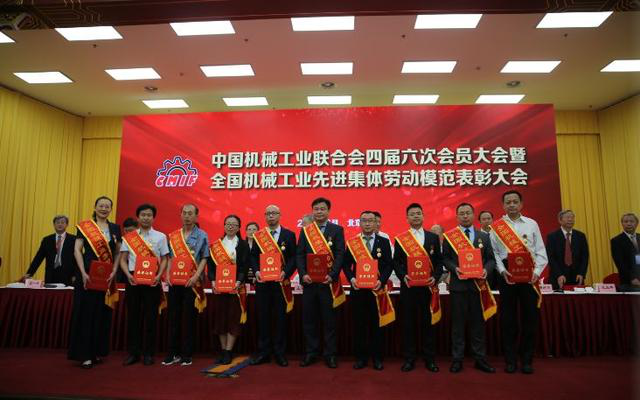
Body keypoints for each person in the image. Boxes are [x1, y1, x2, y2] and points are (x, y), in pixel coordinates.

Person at [490, 190, 548, 374]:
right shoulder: (496, 227)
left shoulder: (532, 224)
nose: (512, 205)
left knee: (530, 319)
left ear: (521, 204)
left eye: (515, 201)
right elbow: (494, 253)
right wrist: (502, 271)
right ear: (503, 205)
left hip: (529, 276)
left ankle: (527, 359)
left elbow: (540, 251)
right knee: (508, 320)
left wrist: (536, 273)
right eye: (508, 202)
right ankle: (510, 360)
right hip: (508, 275)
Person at [68, 196, 122, 369]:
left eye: (107, 206)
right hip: (87, 276)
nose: (104, 209)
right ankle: (84, 355)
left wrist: (114, 270)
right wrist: (82, 272)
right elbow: (77, 250)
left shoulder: (115, 228)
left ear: (111, 209)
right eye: (101, 206)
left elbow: (118, 252)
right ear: (95, 207)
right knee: (85, 314)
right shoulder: (85, 226)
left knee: (101, 315)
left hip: (106, 277)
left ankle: (96, 352)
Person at [442, 203, 496, 374]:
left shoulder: (483, 236)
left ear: (473, 215)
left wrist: (486, 270)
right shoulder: (450, 236)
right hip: (458, 287)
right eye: (462, 213)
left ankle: (480, 359)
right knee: (457, 325)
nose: (465, 216)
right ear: (457, 216)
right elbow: (445, 259)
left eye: (468, 213)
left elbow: (491, 259)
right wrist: (454, 268)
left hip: (478, 287)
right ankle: (457, 359)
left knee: (478, 324)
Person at [296, 197, 345, 369]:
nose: (319, 212)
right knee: (309, 321)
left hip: (328, 284)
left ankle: (330, 354)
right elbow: (299, 254)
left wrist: (332, 275)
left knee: (329, 321)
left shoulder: (337, 230)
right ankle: (311, 353)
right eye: (316, 209)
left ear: (328, 211)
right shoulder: (306, 231)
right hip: (310, 284)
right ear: (312, 211)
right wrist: (303, 274)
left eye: (322, 209)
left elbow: (340, 254)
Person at [394, 203, 443, 373]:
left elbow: (439, 261)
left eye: (418, 213)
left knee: (428, 323)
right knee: (409, 324)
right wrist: (403, 276)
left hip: (428, 288)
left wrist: (435, 277)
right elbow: (396, 262)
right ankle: (409, 358)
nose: (415, 216)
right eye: (412, 214)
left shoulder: (432, 237)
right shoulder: (401, 239)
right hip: (409, 288)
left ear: (423, 216)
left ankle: (429, 358)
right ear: (407, 218)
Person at [342, 210, 393, 371]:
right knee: (359, 325)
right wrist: (351, 279)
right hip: (358, 290)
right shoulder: (353, 243)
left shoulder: (383, 242)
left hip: (377, 291)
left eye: (371, 220)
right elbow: (346, 265)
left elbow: (389, 265)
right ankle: (361, 358)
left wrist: (381, 280)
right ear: (360, 223)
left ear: (376, 222)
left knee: (377, 326)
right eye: (364, 220)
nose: (368, 223)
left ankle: (377, 358)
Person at [120, 204, 169, 366]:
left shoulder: (160, 237)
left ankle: (148, 353)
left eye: (149, 215)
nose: (146, 218)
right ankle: (133, 353)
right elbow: (123, 259)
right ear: (138, 217)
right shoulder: (130, 237)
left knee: (151, 317)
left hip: (152, 280)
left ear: (153, 218)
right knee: (133, 317)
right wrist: (128, 275)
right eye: (143, 215)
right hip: (133, 279)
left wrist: (159, 276)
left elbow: (165, 259)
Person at [249, 205, 297, 367]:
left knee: (280, 319)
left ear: (280, 215)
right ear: (265, 216)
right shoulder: (259, 236)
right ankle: (263, 353)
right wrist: (256, 271)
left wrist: (286, 272)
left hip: (281, 284)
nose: (271, 216)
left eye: (274, 213)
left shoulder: (289, 235)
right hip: (263, 284)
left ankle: (279, 353)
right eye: (268, 213)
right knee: (263, 318)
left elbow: (293, 257)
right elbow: (253, 257)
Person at [163, 204, 209, 367]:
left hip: (192, 282)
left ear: (196, 216)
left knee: (189, 318)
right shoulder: (174, 236)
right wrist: (168, 274)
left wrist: (196, 276)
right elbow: (170, 258)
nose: (187, 216)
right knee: (173, 317)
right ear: (180, 215)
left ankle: (187, 354)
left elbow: (204, 257)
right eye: (184, 213)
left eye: (190, 213)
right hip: (175, 281)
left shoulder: (202, 235)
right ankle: (172, 353)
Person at [207, 214, 249, 364]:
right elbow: (211, 266)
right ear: (224, 226)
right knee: (221, 319)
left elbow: (244, 266)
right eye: (228, 224)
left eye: (234, 224)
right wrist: (213, 281)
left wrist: (238, 281)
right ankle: (223, 350)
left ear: (238, 228)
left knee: (233, 319)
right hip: (219, 288)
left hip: (235, 289)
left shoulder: (243, 245)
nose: (230, 226)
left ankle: (229, 351)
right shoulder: (216, 245)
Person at [22, 215, 76, 285]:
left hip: (69, 276)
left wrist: (76, 275)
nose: (60, 224)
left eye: (62, 222)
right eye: (57, 222)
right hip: (50, 275)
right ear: (54, 224)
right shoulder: (47, 240)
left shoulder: (74, 239)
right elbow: (38, 258)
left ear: (67, 224)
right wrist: (29, 273)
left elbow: (77, 259)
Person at [546, 210, 589, 290]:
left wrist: (581, 273)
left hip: (577, 278)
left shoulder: (581, 236)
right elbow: (550, 258)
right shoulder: (552, 237)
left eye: (572, 217)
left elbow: (585, 257)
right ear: (560, 220)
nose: (570, 219)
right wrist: (559, 274)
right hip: (558, 278)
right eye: (567, 217)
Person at [610, 213, 640, 291]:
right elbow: (620, 263)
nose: (629, 224)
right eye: (626, 221)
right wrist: (632, 278)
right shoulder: (616, 241)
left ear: (637, 223)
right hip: (628, 282)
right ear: (622, 224)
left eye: (631, 221)